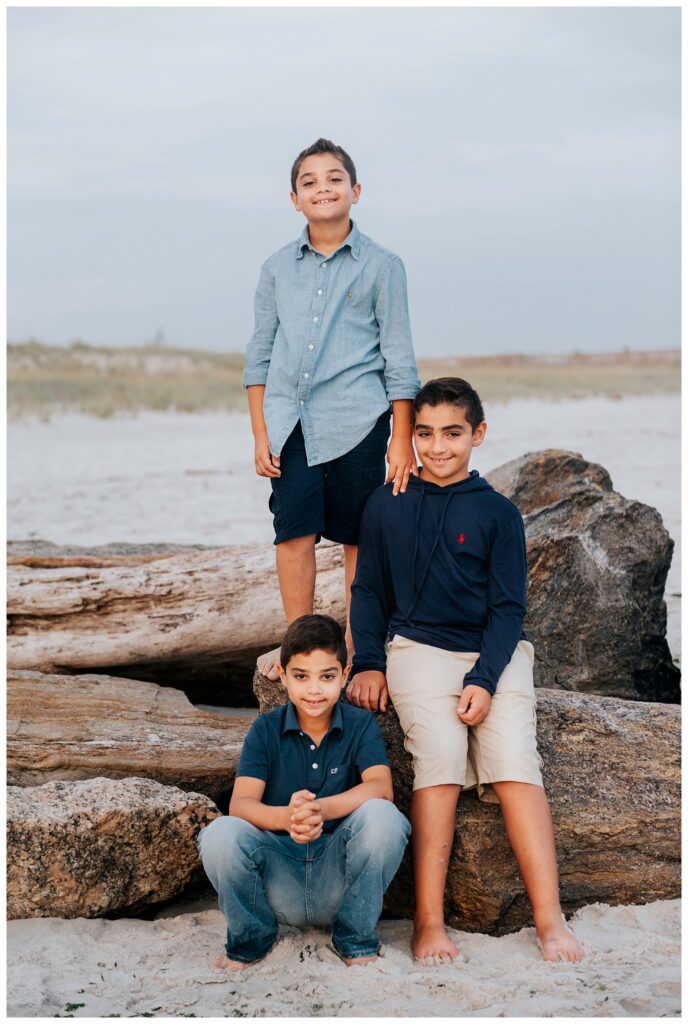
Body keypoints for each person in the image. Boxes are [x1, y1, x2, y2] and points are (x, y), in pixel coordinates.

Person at [347, 377, 584, 966]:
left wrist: (483, 679)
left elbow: (509, 611)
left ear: (478, 434)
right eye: (423, 433)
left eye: (452, 433)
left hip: (493, 653)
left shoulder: (499, 513)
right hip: (417, 651)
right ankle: (430, 922)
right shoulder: (385, 503)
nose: (437, 447)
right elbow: (369, 590)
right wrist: (370, 662)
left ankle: (549, 918)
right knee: (442, 760)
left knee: (514, 763)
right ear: (411, 436)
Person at [243, 137, 420, 680]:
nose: (323, 188)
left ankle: (356, 645)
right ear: (294, 199)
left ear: (356, 190)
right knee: (292, 534)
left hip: (360, 423)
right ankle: (299, 645)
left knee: (359, 539)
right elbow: (260, 354)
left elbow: (400, 359)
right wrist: (260, 434)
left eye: (334, 178)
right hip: (291, 424)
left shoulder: (384, 266)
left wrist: (401, 438)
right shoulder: (276, 268)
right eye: (310, 182)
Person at [198, 614, 410, 970]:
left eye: (327, 677)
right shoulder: (265, 729)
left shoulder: (359, 724)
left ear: (345, 676)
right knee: (219, 834)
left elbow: (380, 787)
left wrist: (321, 810)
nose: (314, 689)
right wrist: (288, 817)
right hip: (278, 886)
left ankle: (354, 939)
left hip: (338, 884)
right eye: (301, 676)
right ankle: (252, 938)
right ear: (282, 676)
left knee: (384, 817)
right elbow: (241, 803)